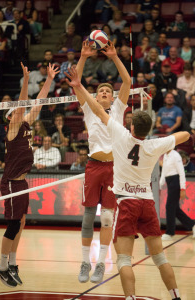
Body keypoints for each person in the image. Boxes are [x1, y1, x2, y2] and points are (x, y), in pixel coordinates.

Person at [65, 66, 190, 300]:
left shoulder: (120, 137)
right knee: (160, 258)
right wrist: (171, 138)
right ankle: (176, 297)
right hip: (147, 204)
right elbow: (185, 136)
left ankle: (130, 298)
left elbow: (99, 111)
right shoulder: (154, 146)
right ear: (149, 130)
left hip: (127, 203)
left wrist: (80, 86)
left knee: (123, 259)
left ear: (130, 126)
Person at [65, 40, 131, 284]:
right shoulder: (89, 109)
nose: (104, 93)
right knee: (88, 217)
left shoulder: (118, 110)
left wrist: (114, 57)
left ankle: (101, 263)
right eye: (100, 91)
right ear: (95, 96)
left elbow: (127, 82)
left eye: (107, 92)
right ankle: (85, 262)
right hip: (94, 166)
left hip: (114, 169)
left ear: (113, 98)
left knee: (107, 219)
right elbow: (76, 82)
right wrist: (82, 57)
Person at [0, 62, 59, 287]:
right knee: (12, 225)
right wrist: (25, 79)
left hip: (22, 182)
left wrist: (49, 79)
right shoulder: (11, 130)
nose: (22, 113)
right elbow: (23, 105)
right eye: (17, 112)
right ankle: (1, 267)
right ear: (11, 117)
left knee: (21, 222)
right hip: (11, 183)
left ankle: (12, 263)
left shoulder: (25, 125)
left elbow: (38, 104)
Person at [160, 149, 195, 241]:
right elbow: (164, 171)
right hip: (169, 181)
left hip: (175, 181)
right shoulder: (165, 156)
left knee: (169, 207)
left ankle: (170, 232)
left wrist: (182, 188)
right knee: (175, 208)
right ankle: (192, 225)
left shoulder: (176, 155)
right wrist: (161, 184)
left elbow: (181, 172)